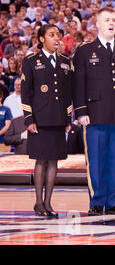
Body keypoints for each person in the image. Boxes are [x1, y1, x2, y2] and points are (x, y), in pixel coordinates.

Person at [73, 7, 115, 216]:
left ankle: (114, 202)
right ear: (98, 24)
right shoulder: (84, 51)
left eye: (114, 20)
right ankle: (97, 201)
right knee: (96, 160)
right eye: (107, 20)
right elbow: (78, 84)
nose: (111, 23)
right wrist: (81, 111)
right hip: (94, 114)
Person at [21, 24, 73, 217]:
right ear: (42, 39)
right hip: (40, 120)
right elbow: (25, 94)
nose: (56, 38)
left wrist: (68, 117)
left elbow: (68, 93)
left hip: (58, 118)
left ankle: (49, 202)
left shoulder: (66, 61)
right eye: (52, 35)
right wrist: (29, 119)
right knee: (41, 161)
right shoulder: (31, 61)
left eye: (58, 35)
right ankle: (38, 202)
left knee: (54, 161)